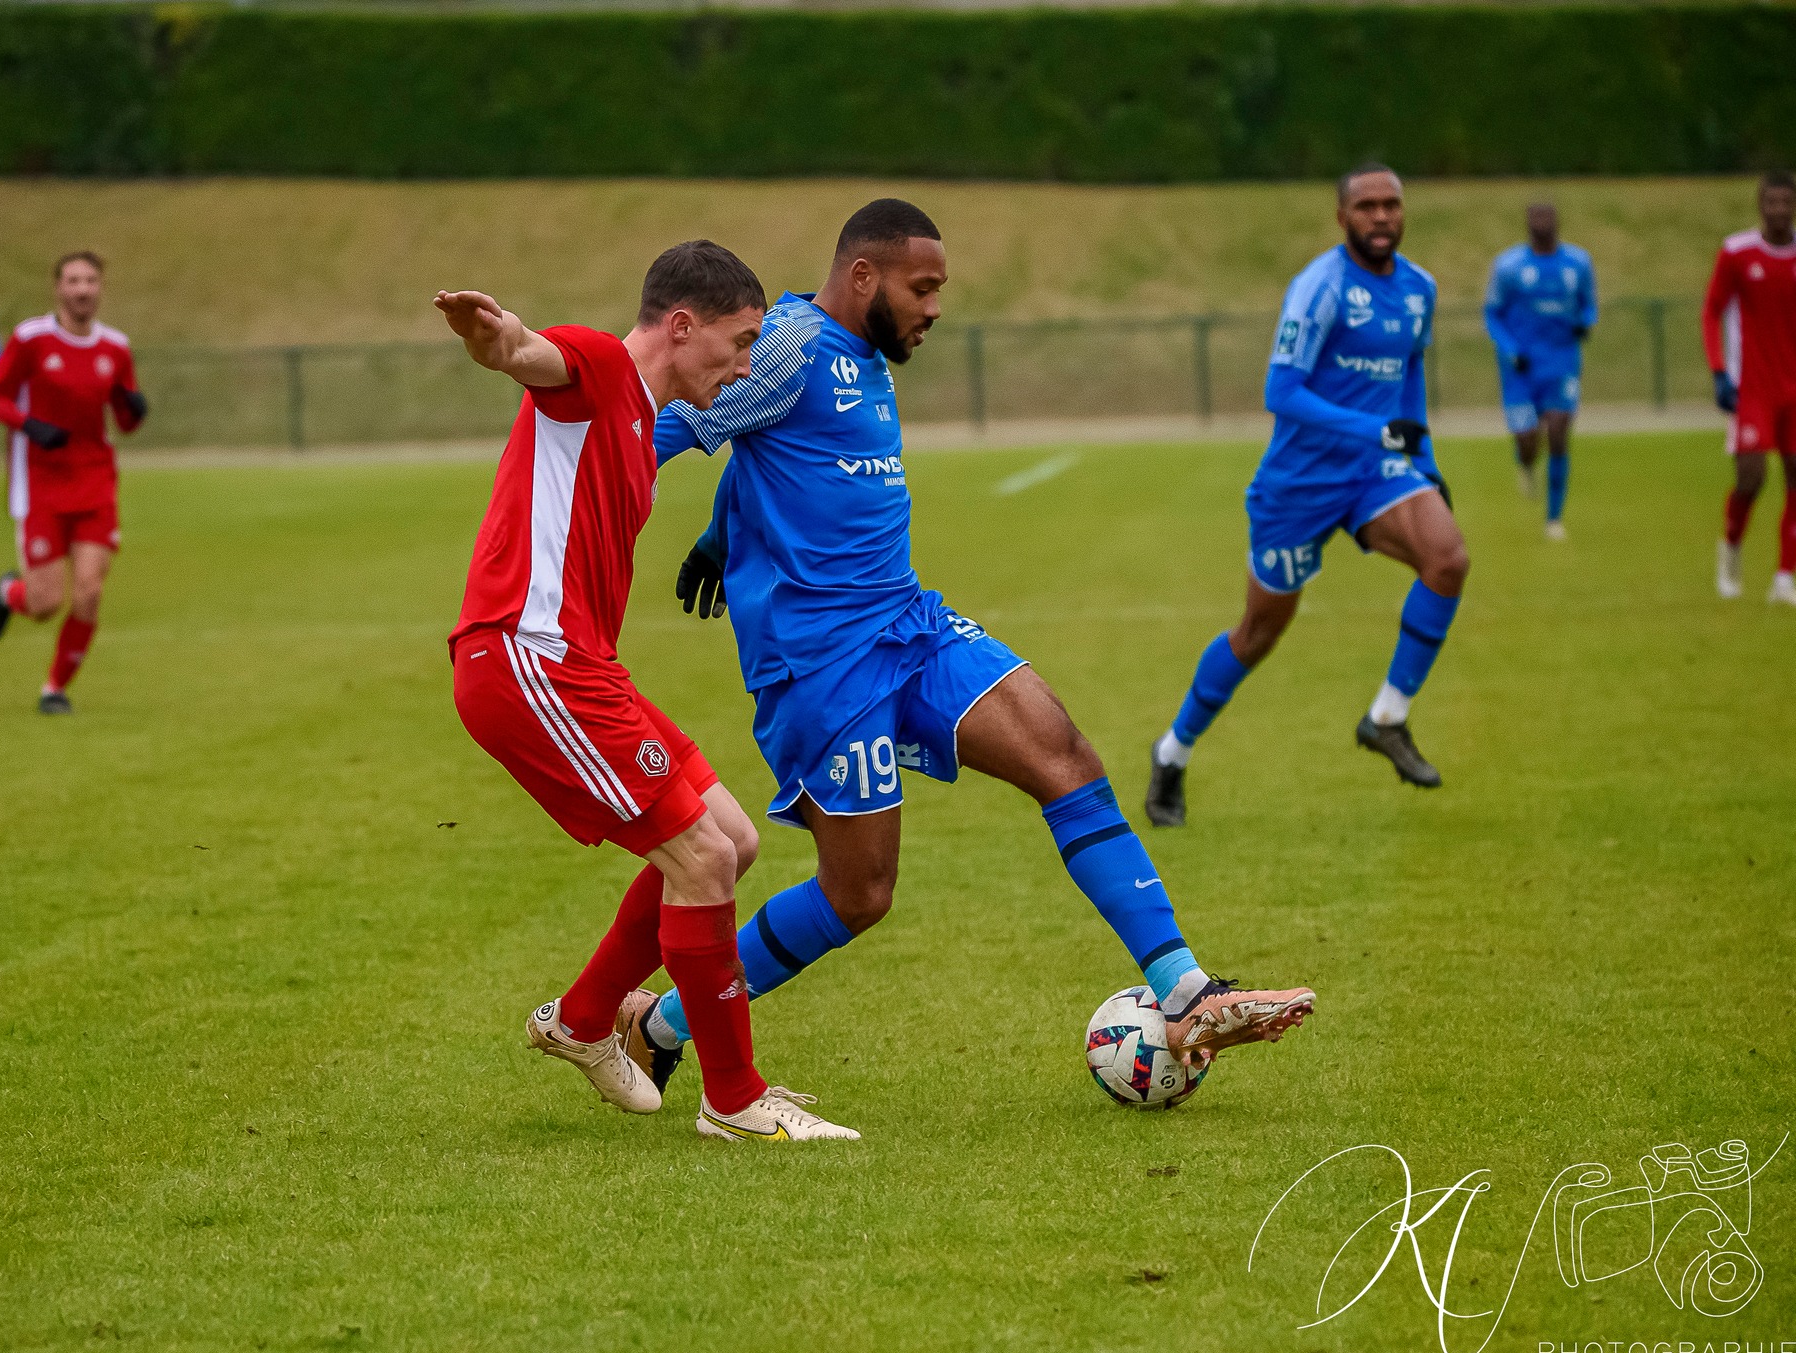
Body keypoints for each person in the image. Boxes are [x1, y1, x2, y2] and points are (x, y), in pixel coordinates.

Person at [629, 200, 1315, 1092]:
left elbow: (773, 457)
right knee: (858, 895)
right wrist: (573, 512)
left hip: (909, 625)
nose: (936, 307)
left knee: (1064, 755)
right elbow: (663, 426)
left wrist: (723, 534)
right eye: (924, 287)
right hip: (823, 668)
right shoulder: (791, 345)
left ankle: (1184, 990)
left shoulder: (861, 356)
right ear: (865, 276)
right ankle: (664, 1021)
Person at [445, 240, 857, 1143]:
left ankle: (587, 1020)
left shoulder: (640, 418)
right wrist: (497, 338)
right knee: (701, 859)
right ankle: (736, 1101)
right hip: (529, 659)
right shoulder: (598, 368)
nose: (749, 363)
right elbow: (531, 355)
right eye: (741, 340)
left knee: (734, 841)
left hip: (581, 666)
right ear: (681, 325)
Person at [1147, 165, 1467, 827]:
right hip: (1299, 485)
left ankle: (1387, 717)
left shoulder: (1420, 290)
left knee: (1448, 557)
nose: (1381, 216)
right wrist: (1374, 428)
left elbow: (1410, 380)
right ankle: (1173, 751)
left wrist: (1424, 465)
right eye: (1367, 206)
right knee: (1259, 632)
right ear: (1342, 216)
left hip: (1377, 474)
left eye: (1392, 205)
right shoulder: (1320, 287)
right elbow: (1281, 392)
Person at [0, 252, 147, 714]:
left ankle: (54, 688)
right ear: (57, 288)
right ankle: (10, 594)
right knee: (46, 602)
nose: (82, 289)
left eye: (90, 280)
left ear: (101, 289)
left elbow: (125, 422)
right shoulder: (30, 339)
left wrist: (136, 407)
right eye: (73, 280)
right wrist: (29, 426)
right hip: (42, 485)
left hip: (95, 481)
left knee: (90, 591)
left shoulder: (115, 347)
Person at [1703, 170, 1796, 605]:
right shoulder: (1737, 252)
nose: (1778, 209)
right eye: (1771, 202)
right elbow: (1712, 311)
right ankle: (1732, 547)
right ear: (1760, 205)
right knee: (1751, 478)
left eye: (1785, 201)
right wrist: (1720, 371)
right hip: (1753, 388)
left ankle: (1784, 576)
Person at [1484, 203, 1598, 539]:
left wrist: (1586, 324)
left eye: (1548, 218)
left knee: (1559, 433)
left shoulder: (1577, 262)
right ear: (1527, 225)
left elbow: (1588, 304)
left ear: (1558, 223)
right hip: (1521, 367)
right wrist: (1510, 350)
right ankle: (1526, 464)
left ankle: (1553, 519)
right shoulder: (1509, 266)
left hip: (1561, 362)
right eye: (1536, 218)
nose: (1542, 224)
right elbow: (1492, 314)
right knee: (1527, 439)